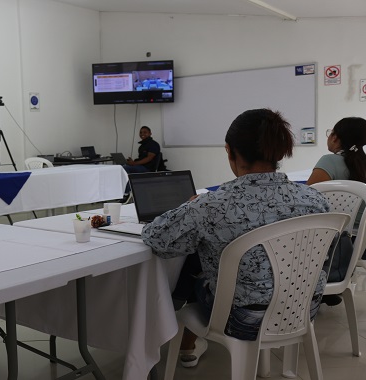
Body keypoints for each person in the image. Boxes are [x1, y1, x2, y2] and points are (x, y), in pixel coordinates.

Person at [141, 109, 330, 368]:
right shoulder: (315, 199)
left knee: (196, 270)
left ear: (229, 151)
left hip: (243, 320)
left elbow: (156, 239)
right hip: (303, 309)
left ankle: (174, 339)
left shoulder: (211, 205)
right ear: (280, 151)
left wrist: (189, 209)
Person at [306, 117, 366, 305]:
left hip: (347, 246)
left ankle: (317, 289)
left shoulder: (329, 161)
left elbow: (306, 200)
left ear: (335, 138)